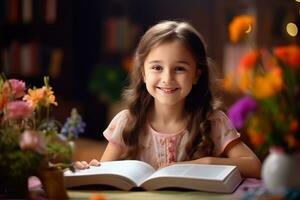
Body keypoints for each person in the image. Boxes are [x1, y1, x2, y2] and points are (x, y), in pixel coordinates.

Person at [75, 20, 262, 178]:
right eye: (157, 68)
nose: (167, 79)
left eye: (180, 68)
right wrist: (90, 170)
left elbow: (254, 166)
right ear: (143, 73)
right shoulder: (126, 122)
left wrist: (206, 162)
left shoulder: (213, 122)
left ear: (197, 75)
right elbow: (105, 174)